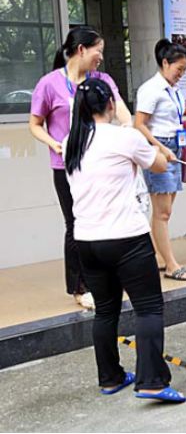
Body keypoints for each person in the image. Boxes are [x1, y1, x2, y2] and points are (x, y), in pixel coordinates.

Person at [64, 78, 185, 403]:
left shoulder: (70, 141)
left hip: (87, 240)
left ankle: (110, 377)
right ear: (109, 104)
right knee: (148, 308)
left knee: (105, 311)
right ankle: (152, 382)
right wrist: (161, 151)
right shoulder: (124, 137)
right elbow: (158, 165)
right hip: (126, 238)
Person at [29, 26, 132, 310]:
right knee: (75, 224)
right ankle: (79, 287)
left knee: (103, 219)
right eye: (98, 50)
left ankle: (104, 279)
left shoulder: (103, 80)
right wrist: (54, 143)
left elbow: (122, 111)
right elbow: (35, 124)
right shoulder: (49, 84)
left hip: (100, 163)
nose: (101, 56)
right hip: (66, 165)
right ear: (81, 49)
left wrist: (129, 130)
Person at [134, 39, 186, 281]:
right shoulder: (151, 89)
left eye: (184, 70)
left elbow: (170, 121)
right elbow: (139, 125)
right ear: (165, 63)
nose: (181, 74)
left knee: (164, 211)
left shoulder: (173, 89)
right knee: (162, 212)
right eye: (179, 69)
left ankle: (158, 257)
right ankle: (171, 265)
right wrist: (161, 148)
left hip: (174, 146)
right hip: (159, 150)